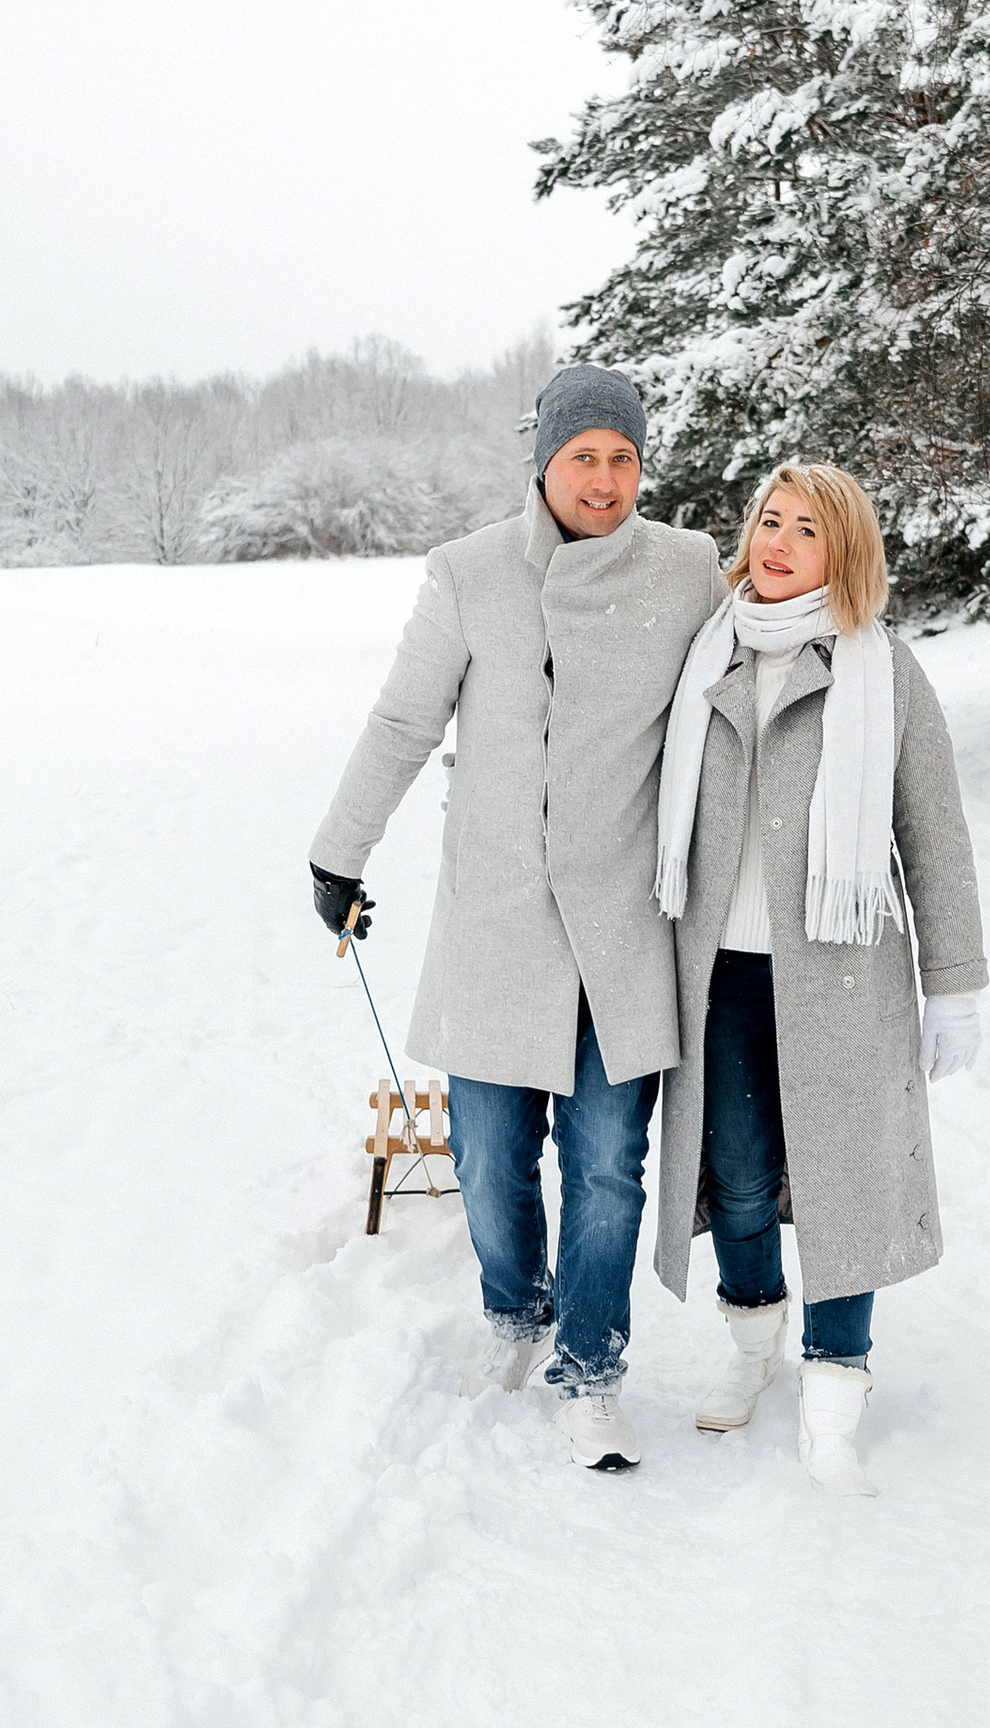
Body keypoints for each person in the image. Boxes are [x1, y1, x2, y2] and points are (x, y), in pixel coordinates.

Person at [308, 363, 723, 1468]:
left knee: (604, 1167)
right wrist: (336, 853)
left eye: (623, 457)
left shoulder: (686, 570)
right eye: (583, 454)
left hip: (622, 930)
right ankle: (512, 1307)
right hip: (498, 917)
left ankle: (590, 1366)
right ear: (541, 459)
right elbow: (403, 719)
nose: (604, 477)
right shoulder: (469, 572)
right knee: (492, 1163)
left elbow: (758, 668)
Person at [650, 461, 987, 1495]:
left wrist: (956, 980)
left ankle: (835, 1395)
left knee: (845, 1187)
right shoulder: (703, 654)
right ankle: (753, 1345)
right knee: (740, 1179)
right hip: (723, 975)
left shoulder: (881, 671)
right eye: (768, 519)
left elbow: (934, 832)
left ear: (844, 551)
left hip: (844, 979)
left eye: (807, 527)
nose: (780, 539)